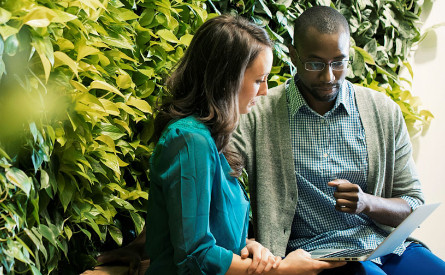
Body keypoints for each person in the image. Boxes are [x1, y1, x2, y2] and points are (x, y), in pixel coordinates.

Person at [98, 14, 345, 275]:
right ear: (227, 79)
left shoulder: (210, 137)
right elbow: (194, 256)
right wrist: (281, 270)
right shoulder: (188, 141)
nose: (263, 92)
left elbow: (215, 234)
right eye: (259, 80)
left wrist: (251, 247)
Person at [231, 5, 445, 275]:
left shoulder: (382, 111)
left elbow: (413, 203)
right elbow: (224, 190)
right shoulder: (258, 114)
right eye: (315, 64)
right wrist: (250, 243)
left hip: (384, 246)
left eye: (339, 62)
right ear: (294, 55)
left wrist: (368, 203)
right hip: (315, 256)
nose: (328, 76)